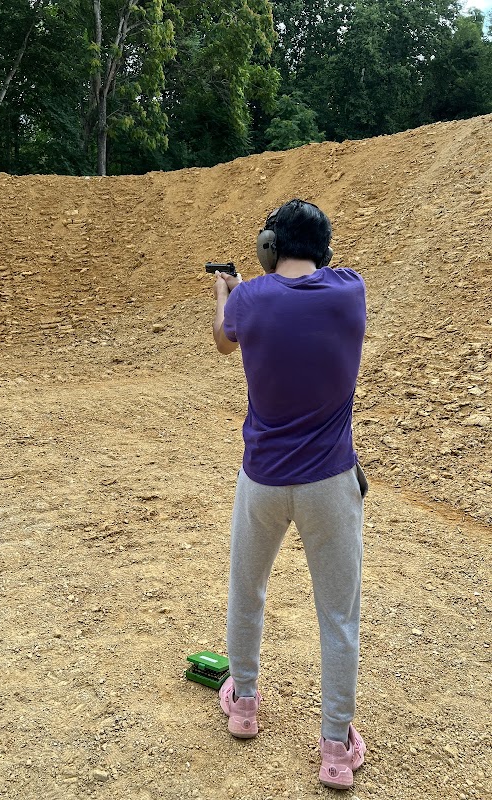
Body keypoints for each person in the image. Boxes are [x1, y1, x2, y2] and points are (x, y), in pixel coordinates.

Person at [211, 199, 368, 790]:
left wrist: (226, 293)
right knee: (338, 615)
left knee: (247, 590)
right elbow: (306, 291)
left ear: (267, 247)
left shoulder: (249, 300)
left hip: (263, 479)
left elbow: (224, 341)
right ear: (324, 249)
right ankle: (335, 749)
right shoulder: (350, 292)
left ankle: (244, 705)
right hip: (331, 481)